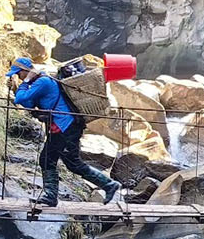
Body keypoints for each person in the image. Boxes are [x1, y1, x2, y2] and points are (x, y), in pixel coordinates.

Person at [7, 56, 123, 207]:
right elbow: (28, 101)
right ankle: (50, 196)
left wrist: (26, 82)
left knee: (73, 163)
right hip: (59, 127)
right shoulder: (40, 81)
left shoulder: (43, 82)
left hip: (66, 127)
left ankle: (109, 185)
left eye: (19, 74)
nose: (18, 77)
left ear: (26, 71)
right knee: (47, 159)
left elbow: (20, 99)